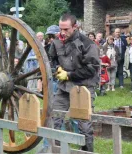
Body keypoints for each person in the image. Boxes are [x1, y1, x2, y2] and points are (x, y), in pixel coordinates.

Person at [49, 13, 100, 152]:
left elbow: (92, 69)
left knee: (84, 125)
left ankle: (86, 152)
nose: (62, 33)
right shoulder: (56, 42)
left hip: (83, 87)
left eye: (66, 29)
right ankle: (57, 150)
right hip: (64, 88)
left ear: (75, 27)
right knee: (55, 118)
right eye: (60, 29)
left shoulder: (87, 44)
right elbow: (51, 59)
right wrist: (57, 68)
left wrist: (69, 75)